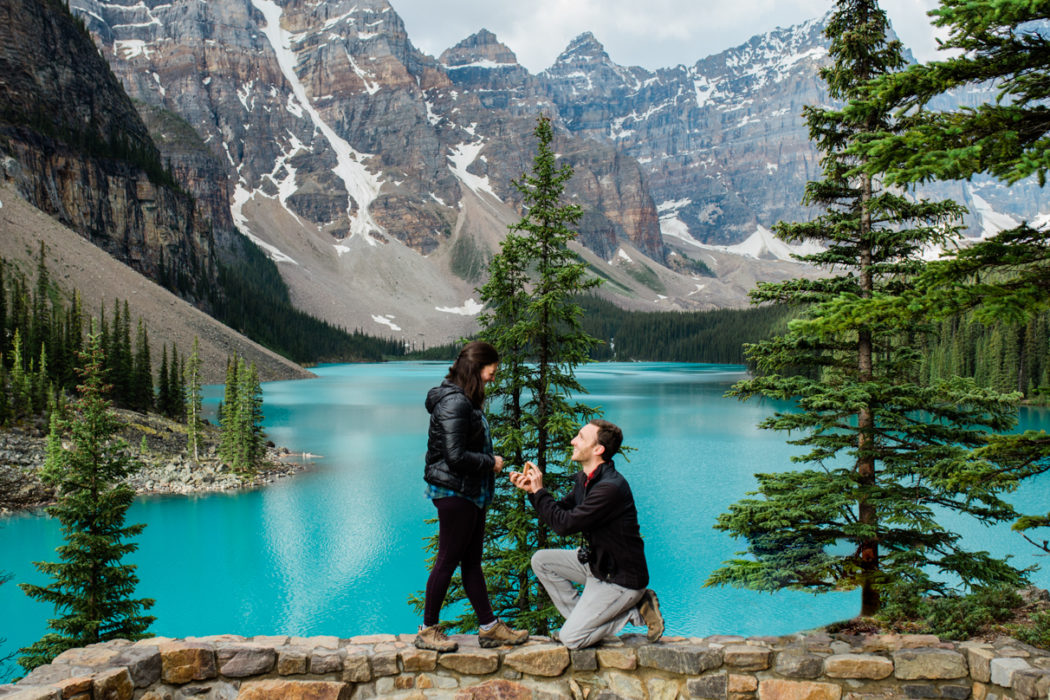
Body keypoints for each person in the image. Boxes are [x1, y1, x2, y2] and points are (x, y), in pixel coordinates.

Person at [508, 419, 664, 649]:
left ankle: (633, 610)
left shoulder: (610, 488)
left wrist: (541, 491)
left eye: (580, 437)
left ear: (598, 449)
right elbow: (560, 511)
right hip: (597, 566)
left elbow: (564, 525)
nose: (573, 441)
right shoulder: (586, 479)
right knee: (541, 561)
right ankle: (582, 624)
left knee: (571, 638)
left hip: (621, 580)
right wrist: (533, 491)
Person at [416, 341, 529, 652]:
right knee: (447, 560)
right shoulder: (455, 403)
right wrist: (490, 463)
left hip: (468, 491)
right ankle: (427, 630)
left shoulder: (462, 399)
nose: (493, 378)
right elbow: (454, 457)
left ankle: (489, 627)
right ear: (476, 369)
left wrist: (487, 461)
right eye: (491, 372)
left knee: (471, 563)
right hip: (456, 492)